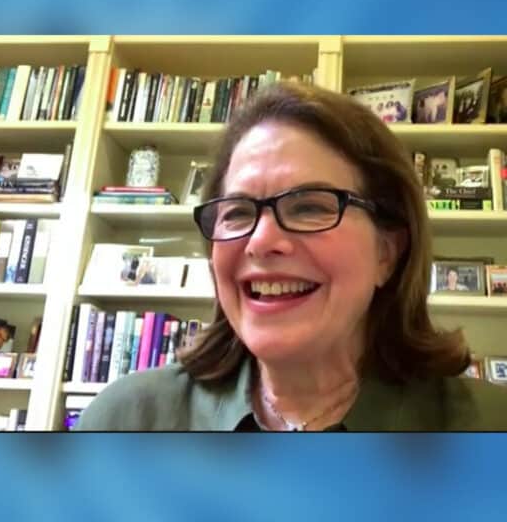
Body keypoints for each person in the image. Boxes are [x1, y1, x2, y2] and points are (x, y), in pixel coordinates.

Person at [79, 82, 507, 431]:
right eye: (238, 212)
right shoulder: (125, 420)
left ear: (386, 253)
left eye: (309, 206)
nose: (261, 241)